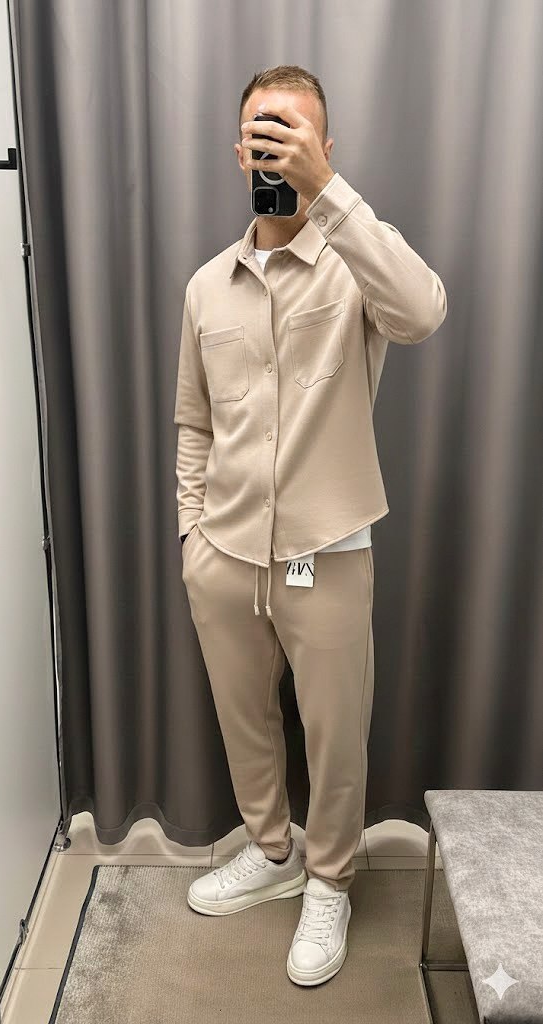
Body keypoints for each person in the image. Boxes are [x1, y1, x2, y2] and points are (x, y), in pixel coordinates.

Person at [174, 64, 447, 987]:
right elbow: (192, 422)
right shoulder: (206, 287)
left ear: (323, 147)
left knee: (334, 737)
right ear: (238, 150)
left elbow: (422, 312)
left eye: (294, 132)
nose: (277, 147)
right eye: (263, 131)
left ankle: (329, 880)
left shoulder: (357, 258)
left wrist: (327, 193)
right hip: (224, 551)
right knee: (244, 721)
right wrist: (190, 534)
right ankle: (272, 851)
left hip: (328, 549)